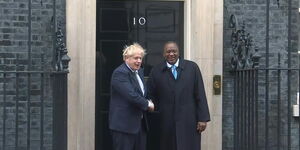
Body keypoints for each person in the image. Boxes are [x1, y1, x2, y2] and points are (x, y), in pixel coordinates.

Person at [147, 41, 210, 150]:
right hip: (165, 121)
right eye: (168, 52)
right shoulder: (156, 71)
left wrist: (203, 118)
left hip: (189, 120)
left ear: (178, 52)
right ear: (164, 54)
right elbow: (150, 94)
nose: (171, 54)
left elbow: (200, 93)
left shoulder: (192, 68)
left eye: (174, 51)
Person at [109, 43, 154, 150]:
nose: (139, 61)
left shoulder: (139, 72)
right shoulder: (120, 73)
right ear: (126, 58)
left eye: (140, 58)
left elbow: (142, 93)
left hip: (140, 125)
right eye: (136, 58)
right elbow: (131, 95)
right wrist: (148, 104)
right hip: (124, 127)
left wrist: (149, 99)